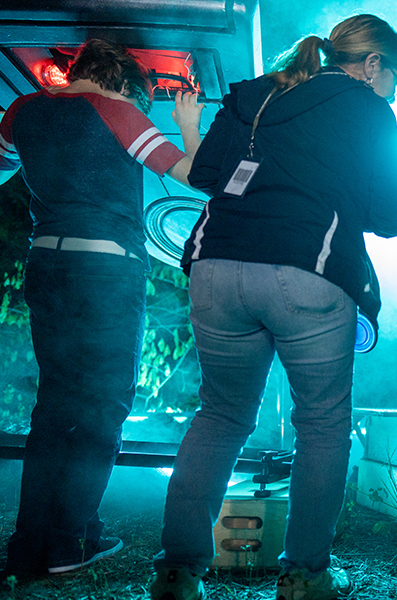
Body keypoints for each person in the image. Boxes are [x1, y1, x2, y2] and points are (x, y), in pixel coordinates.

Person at [150, 13, 397, 600]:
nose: (392, 94)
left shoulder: (255, 95)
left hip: (216, 269)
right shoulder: (370, 110)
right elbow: (394, 217)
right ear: (373, 65)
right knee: (321, 425)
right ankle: (304, 576)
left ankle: (177, 571)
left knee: (219, 415)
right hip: (307, 273)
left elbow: (208, 175)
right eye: (394, 81)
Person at [0, 39, 203, 576]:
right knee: (104, 407)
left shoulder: (22, 110)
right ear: (122, 84)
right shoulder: (118, 111)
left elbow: (0, 167)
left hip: (46, 266)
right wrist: (188, 125)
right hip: (106, 272)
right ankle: (70, 544)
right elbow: (191, 176)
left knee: (54, 407)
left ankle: (28, 545)